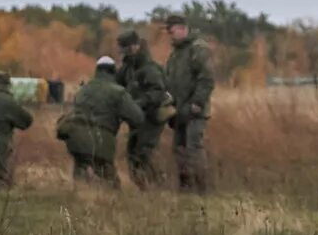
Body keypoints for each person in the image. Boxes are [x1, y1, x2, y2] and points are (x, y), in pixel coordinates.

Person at [57, 54, 146, 184]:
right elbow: (137, 118)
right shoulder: (118, 92)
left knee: (81, 176)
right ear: (113, 71)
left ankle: (80, 197)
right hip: (101, 142)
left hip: (76, 140)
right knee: (110, 184)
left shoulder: (83, 90)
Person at [161, 16, 215, 192]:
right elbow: (168, 81)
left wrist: (197, 103)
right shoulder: (175, 55)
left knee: (194, 149)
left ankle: (201, 190)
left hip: (195, 110)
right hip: (178, 111)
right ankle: (185, 188)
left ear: (183, 28)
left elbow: (206, 79)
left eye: (172, 30)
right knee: (179, 150)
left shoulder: (198, 49)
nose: (170, 34)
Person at [116, 28, 171, 186]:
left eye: (125, 49)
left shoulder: (149, 68)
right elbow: (116, 83)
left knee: (144, 151)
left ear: (134, 47)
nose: (123, 54)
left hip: (153, 116)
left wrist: (138, 103)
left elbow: (158, 92)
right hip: (137, 117)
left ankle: (158, 184)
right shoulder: (128, 68)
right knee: (132, 153)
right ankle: (142, 186)